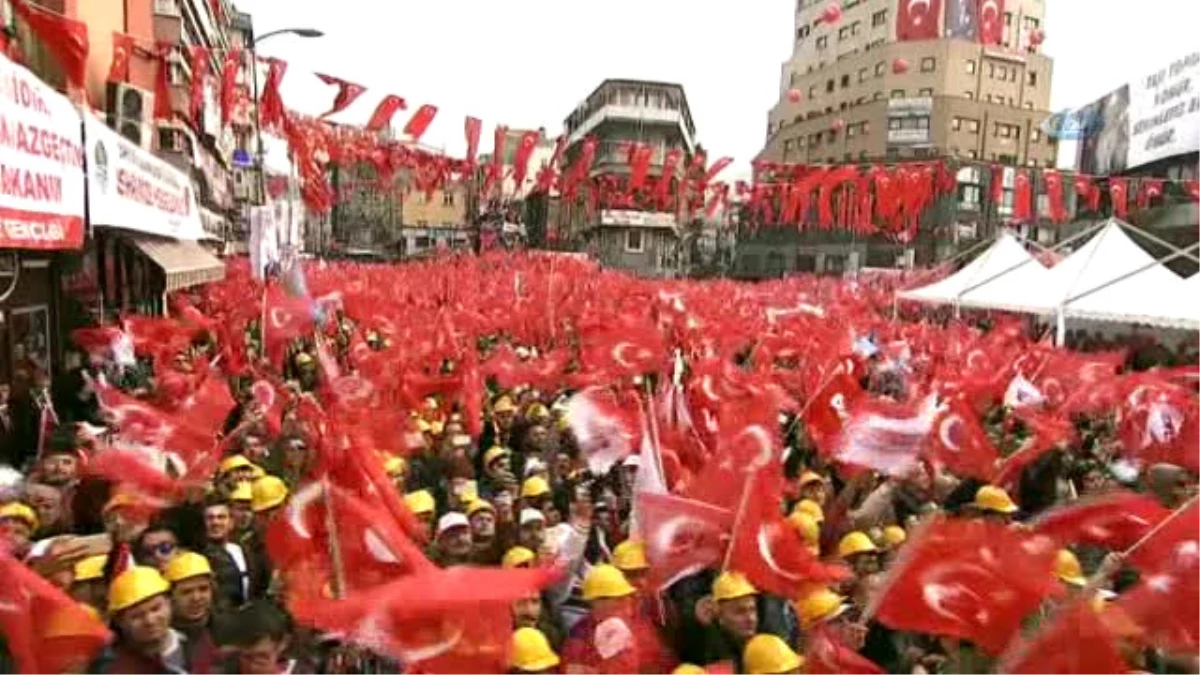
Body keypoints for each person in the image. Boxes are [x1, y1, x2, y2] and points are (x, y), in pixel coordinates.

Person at [90, 565, 218, 673]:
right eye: (137, 616)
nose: (149, 620)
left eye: (155, 609)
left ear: (169, 603)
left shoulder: (201, 647)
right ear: (120, 622)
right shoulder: (111, 667)